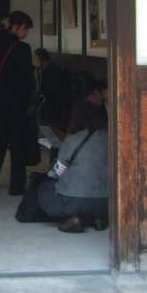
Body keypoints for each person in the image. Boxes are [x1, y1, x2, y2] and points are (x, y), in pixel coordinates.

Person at [38, 76, 109, 233]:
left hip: (76, 201)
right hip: (109, 202)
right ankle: (99, 218)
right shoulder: (114, 138)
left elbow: (58, 172)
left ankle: (76, 218)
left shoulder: (73, 140)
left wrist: (51, 176)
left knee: (43, 191)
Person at [0, 11, 35, 196]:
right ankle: (16, 186)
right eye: (26, 29)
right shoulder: (24, 49)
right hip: (17, 102)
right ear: (18, 27)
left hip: (0, 100)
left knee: (0, 141)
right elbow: (27, 80)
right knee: (17, 144)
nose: (26, 33)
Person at [30, 48, 65, 127]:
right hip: (47, 101)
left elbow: (46, 92)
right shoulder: (44, 69)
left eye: (35, 58)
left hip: (52, 105)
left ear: (41, 59)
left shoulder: (51, 71)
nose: (34, 60)